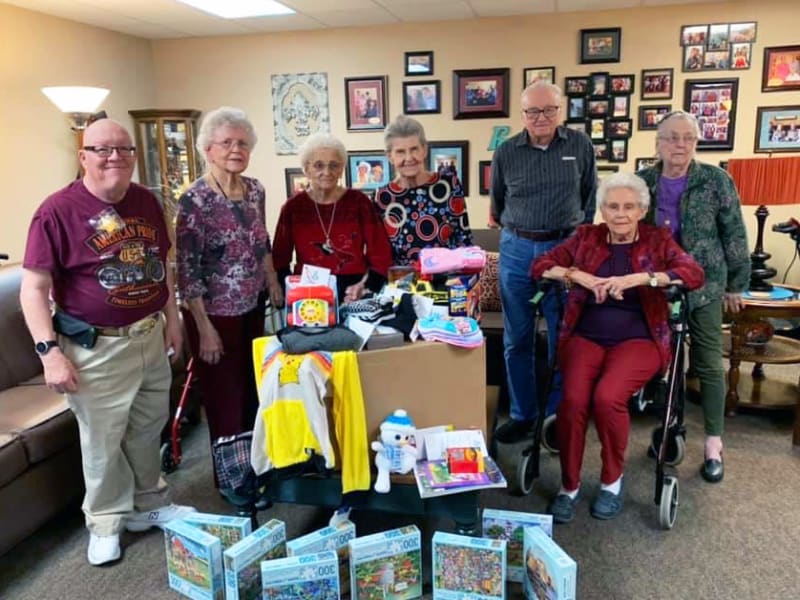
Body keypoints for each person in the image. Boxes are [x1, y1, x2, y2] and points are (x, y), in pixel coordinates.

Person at [19, 119, 195, 566]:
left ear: (134, 156)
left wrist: (172, 319)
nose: (114, 157)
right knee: (102, 439)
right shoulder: (56, 211)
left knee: (145, 428)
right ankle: (104, 520)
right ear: (84, 157)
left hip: (149, 336)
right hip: (97, 347)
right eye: (102, 149)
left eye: (123, 149)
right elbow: (33, 289)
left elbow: (164, 265)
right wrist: (49, 352)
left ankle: (148, 503)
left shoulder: (146, 202)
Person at [532, 172, 704, 522]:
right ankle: (570, 486)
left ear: (641, 210)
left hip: (640, 339)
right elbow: (540, 266)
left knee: (608, 397)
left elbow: (693, 273)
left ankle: (611, 482)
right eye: (613, 206)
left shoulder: (658, 240)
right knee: (573, 400)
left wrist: (643, 278)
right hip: (585, 336)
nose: (621, 214)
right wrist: (576, 275)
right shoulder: (586, 237)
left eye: (629, 207)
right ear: (602, 210)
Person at [636, 110, 750, 484]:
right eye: (671, 137)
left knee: (707, 363)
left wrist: (737, 283)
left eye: (687, 137)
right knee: (662, 359)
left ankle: (714, 444)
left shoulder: (716, 181)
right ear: (658, 143)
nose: (679, 144)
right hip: (658, 285)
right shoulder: (642, 182)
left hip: (705, 286)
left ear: (696, 142)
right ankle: (668, 426)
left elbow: (734, 233)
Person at [176, 106, 282, 487]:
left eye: (242, 143)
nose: (235, 149)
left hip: (253, 308)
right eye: (226, 143)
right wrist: (203, 328)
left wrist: (273, 281)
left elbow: (261, 241)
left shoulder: (255, 190)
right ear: (208, 149)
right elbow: (187, 270)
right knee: (224, 397)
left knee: (256, 387)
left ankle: (258, 466)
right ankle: (233, 480)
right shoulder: (194, 200)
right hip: (214, 315)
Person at [490, 81, 597, 444]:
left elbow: (589, 199)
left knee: (562, 339)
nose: (541, 117)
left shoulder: (580, 145)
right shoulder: (506, 152)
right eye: (533, 111)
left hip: (564, 249)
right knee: (516, 340)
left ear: (561, 111)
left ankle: (555, 418)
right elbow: (498, 205)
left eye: (549, 110)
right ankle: (522, 414)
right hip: (517, 250)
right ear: (522, 115)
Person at [272, 132, 392, 303]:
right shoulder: (293, 208)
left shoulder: (359, 202)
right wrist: (289, 291)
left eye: (334, 165)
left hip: (354, 291)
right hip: (308, 291)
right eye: (318, 165)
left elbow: (380, 251)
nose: (326, 172)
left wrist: (367, 285)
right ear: (307, 168)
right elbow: (279, 258)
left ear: (342, 168)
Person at [375, 115, 473, 266]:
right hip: (401, 282)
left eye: (414, 149)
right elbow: (380, 252)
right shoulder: (382, 197)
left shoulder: (450, 184)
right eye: (400, 152)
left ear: (424, 150)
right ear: (390, 157)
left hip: (447, 279)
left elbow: (464, 239)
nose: (409, 158)